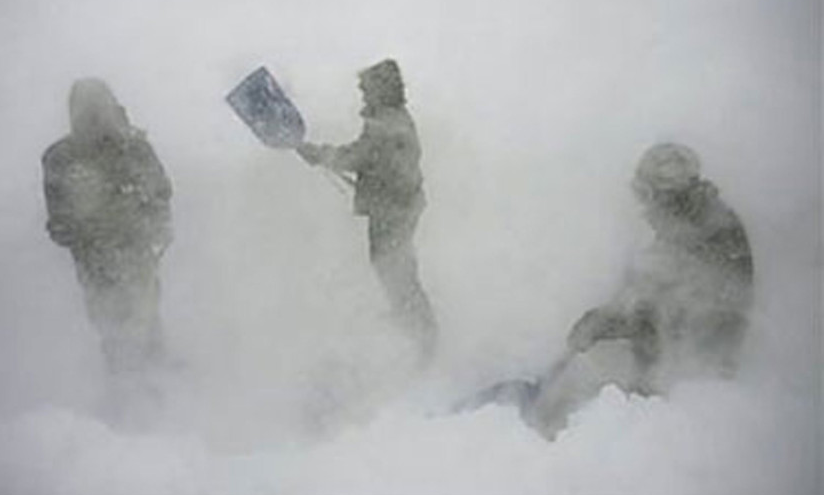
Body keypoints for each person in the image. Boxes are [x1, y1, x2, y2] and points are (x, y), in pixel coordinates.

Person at [458, 143, 754, 439]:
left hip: (684, 381)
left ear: (669, 197)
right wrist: (603, 318)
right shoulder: (686, 231)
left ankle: (533, 431)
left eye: (647, 196)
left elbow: (680, 320)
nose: (644, 211)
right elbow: (643, 290)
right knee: (557, 383)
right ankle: (521, 414)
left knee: (576, 388)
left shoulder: (712, 238)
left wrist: (612, 324)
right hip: (662, 364)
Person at [297, 59, 437, 362]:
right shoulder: (392, 119)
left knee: (395, 271)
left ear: (382, 89)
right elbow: (368, 158)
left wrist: (318, 153)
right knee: (394, 270)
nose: (362, 95)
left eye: (366, 89)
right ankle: (414, 328)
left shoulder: (387, 124)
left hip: (393, 212)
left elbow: (357, 156)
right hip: (396, 208)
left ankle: (421, 339)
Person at [42, 78, 173, 376]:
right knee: (115, 334)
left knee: (144, 323)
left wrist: (155, 237)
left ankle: (158, 390)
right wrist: (83, 229)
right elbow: (59, 221)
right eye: (86, 110)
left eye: (98, 108)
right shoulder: (61, 158)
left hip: (135, 257)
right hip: (98, 264)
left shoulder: (134, 148)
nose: (94, 117)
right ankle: (129, 397)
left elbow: (161, 195)